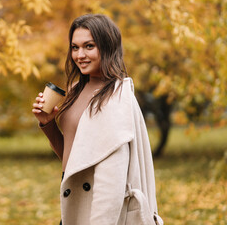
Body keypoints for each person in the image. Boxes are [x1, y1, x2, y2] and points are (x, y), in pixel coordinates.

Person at [32, 14, 163, 225]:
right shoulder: (76, 89)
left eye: (89, 46)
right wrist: (48, 123)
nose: (79, 55)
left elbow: (111, 182)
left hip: (100, 212)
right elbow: (74, 158)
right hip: (75, 204)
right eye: (75, 47)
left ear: (107, 47)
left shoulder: (116, 97)